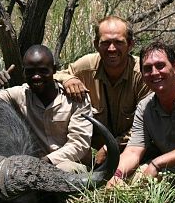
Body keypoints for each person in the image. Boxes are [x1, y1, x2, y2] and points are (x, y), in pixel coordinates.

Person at [0, 44, 93, 173]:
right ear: (24, 72)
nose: (36, 77)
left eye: (43, 71)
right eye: (30, 72)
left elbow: (79, 144)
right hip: (31, 169)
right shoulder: (19, 94)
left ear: (54, 70)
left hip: (71, 165)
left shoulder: (76, 97)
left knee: (63, 169)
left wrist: (46, 161)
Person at [54, 16, 151, 164]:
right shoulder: (86, 65)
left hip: (134, 149)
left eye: (118, 42)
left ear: (130, 45)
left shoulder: (143, 73)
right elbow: (56, 75)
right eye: (105, 43)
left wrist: (109, 148)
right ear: (96, 45)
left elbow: (145, 124)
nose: (112, 49)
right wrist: (68, 79)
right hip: (92, 151)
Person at [107, 41, 175, 189]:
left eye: (160, 65)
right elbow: (133, 150)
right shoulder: (145, 107)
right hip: (171, 170)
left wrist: (157, 163)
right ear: (143, 75)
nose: (155, 73)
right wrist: (117, 175)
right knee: (125, 182)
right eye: (148, 69)